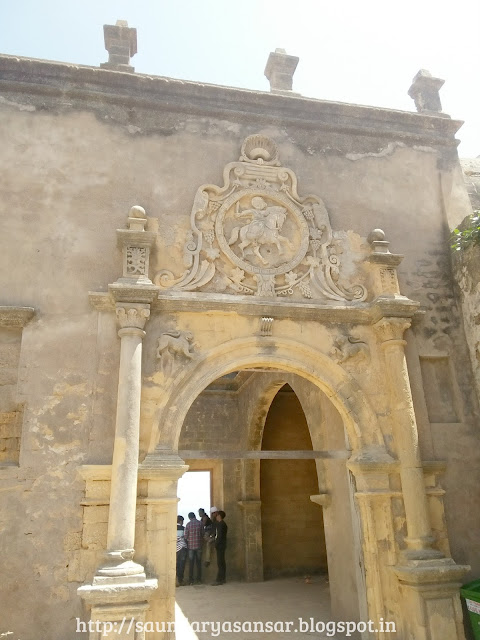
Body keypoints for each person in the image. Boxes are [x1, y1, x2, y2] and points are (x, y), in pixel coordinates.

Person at [184, 511, 203, 585]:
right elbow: (202, 534)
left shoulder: (188, 525)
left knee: (191, 564)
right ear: (195, 516)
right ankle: (199, 579)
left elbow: (185, 537)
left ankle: (191, 580)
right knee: (198, 563)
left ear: (189, 517)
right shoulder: (200, 523)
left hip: (191, 547)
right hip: (198, 545)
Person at [212, 510, 227, 586]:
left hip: (220, 545)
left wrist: (216, 544)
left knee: (220, 562)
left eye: (217, 515)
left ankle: (219, 579)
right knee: (221, 562)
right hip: (222, 545)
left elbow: (220, 536)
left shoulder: (222, 524)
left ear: (219, 516)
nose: (216, 516)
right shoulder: (221, 524)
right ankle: (222, 578)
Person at [176, 515, 188, 586]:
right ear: (181, 521)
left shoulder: (172, 528)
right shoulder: (183, 528)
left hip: (175, 548)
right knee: (182, 565)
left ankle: (176, 580)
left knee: (176, 565)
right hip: (183, 548)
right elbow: (186, 537)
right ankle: (181, 580)